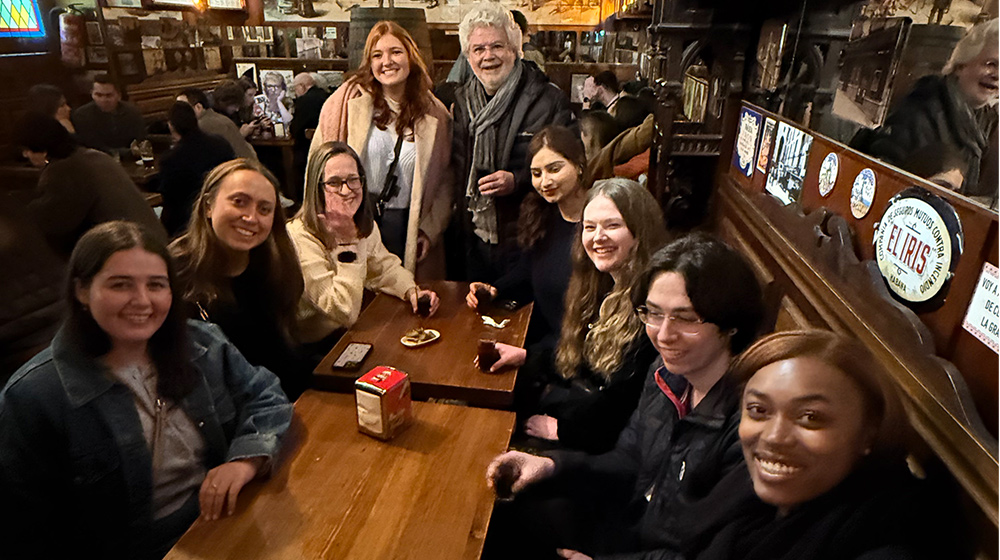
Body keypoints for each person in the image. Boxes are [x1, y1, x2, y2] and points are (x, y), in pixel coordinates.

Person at [0, 221, 293, 559]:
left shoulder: (201, 343)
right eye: (120, 284)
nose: (141, 300)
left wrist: (245, 460)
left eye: (156, 284)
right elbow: (27, 530)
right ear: (82, 291)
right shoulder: (32, 397)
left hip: (223, 521)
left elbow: (266, 395)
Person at [484, 233, 764, 557]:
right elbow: (629, 461)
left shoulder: (750, 424)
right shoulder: (666, 373)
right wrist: (549, 465)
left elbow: (704, 551)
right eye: (654, 313)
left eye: (685, 318)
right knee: (501, 513)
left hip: (654, 548)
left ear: (731, 324)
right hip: (632, 522)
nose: (663, 334)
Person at [661, 330, 963, 560]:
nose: (774, 437)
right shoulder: (748, 486)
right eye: (758, 411)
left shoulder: (890, 538)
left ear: (869, 433)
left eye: (810, 418)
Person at [483, 178, 669, 454]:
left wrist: (563, 430)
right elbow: (586, 361)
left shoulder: (652, 305)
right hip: (592, 417)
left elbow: (623, 404)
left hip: (609, 445)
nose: (597, 237)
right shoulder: (604, 284)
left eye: (613, 225)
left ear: (639, 231)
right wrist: (527, 357)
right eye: (590, 227)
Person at [311, 21, 452, 277]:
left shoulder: (436, 115)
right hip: (356, 219)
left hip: (406, 227)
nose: (387, 61)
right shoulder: (345, 103)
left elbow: (445, 179)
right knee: (354, 295)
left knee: (402, 298)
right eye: (377, 55)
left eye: (396, 52)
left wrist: (429, 230)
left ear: (411, 56)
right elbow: (317, 166)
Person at [451, 2, 575, 283]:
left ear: (515, 49)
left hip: (532, 240)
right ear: (467, 57)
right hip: (476, 242)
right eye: (478, 49)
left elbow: (573, 168)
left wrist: (517, 180)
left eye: (497, 46)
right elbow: (457, 172)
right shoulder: (461, 103)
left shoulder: (548, 101)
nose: (488, 56)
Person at [170, 159, 306, 399]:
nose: (251, 217)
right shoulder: (175, 275)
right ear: (208, 206)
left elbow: (285, 357)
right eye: (239, 202)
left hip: (287, 404)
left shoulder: (275, 266)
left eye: (264, 209)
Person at [289, 141, 439, 349]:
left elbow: (384, 267)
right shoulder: (299, 236)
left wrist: (411, 291)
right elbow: (343, 312)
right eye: (334, 183)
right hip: (314, 348)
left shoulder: (359, 224)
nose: (346, 190)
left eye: (353, 180)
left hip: (349, 333)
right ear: (316, 188)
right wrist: (348, 244)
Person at [466, 126, 589, 373]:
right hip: (546, 347)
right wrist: (495, 289)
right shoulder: (543, 214)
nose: (545, 181)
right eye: (536, 173)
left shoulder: (599, 225)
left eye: (555, 169)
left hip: (581, 357)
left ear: (579, 165)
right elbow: (529, 267)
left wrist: (529, 356)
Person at [857, 18, 998, 195]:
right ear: (961, 65)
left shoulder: (988, 122)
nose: (997, 75)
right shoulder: (920, 109)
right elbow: (880, 177)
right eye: (991, 64)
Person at [17, 113, 166, 258]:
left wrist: (16, 212)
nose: (25, 155)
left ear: (42, 149)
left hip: (133, 252)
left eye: (27, 150)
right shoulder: (92, 155)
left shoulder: (66, 169)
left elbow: (55, 222)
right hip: (151, 243)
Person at [159, 102, 236, 237]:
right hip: (225, 206)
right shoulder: (220, 143)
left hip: (188, 222)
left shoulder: (171, 158)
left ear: (171, 126)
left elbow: (168, 196)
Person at [71, 74, 147, 157]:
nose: (103, 100)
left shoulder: (132, 112)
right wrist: (128, 152)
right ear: (92, 94)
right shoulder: (82, 115)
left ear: (119, 96)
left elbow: (140, 138)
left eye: (109, 95)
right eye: (98, 95)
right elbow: (93, 146)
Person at [177, 87, 258, 160]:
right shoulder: (218, 118)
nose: (179, 113)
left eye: (183, 109)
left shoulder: (203, 125)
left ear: (198, 107)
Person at [290, 72, 329, 201]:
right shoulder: (327, 96)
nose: (295, 92)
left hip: (306, 152)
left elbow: (295, 129)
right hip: (326, 149)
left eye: (295, 88)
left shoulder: (304, 101)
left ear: (302, 86)